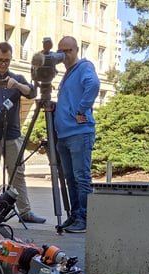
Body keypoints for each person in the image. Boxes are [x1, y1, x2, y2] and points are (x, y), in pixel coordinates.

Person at [0, 42, 44, 224]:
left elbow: (31, 93)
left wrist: (17, 85)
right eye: (0, 60)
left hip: (12, 134)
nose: (3, 64)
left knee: (17, 173)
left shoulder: (17, 77)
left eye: (6, 60)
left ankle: (25, 212)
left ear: (11, 59)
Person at [54, 36, 100, 233]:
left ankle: (84, 218)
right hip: (65, 134)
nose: (65, 55)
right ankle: (75, 215)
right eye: (62, 51)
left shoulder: (84, 67)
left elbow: (94, 85)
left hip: (79, 133)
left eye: (68, 50)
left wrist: (81, 110)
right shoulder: (68, 74)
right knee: (71, 178)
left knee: (81, 177)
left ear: (76, 50)